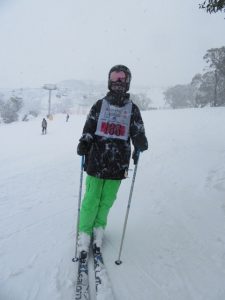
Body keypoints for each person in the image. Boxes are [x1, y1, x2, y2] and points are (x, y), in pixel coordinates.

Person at [76, 65, 148, 257]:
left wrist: (139, 144)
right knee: (91, 199)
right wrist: (85, 141)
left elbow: (137, 130)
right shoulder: (100, 105)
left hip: (118, 164)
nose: (118, 81)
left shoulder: (132, 109)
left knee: (107, 200)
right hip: (97, 161)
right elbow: (89, 127)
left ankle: (99, 229)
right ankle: (85, 232)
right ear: (109, 80)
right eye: (115, 77)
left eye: (122, 78)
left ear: (127, 81)